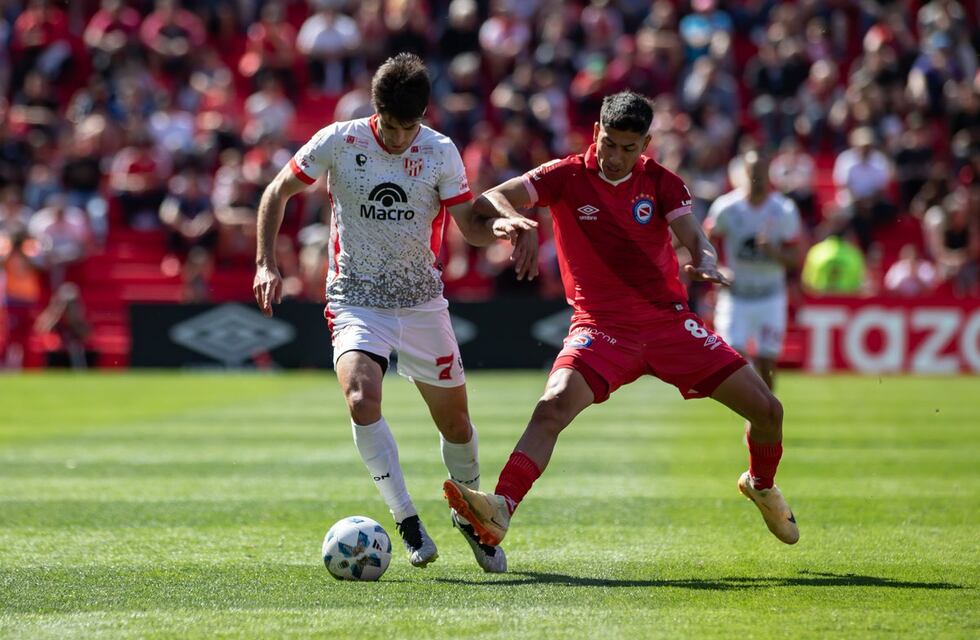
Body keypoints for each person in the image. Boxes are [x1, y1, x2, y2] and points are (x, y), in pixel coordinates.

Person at [443, 91, 799, 557]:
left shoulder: (662, 183)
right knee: (550, 407)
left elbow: (696, 239)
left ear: (646, 143)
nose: (615, 157)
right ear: (596, 133)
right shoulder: (566, 175)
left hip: (669, 325)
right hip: (601, 328)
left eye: (629, 148)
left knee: (769, 411)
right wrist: (517, 222)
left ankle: (760, 483)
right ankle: (500, 507)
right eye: (609, 144)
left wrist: (706, 261)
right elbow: (491, 198)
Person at [252, 53, 536, 573]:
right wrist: (266, 263)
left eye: (412, 126)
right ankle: (405, 519)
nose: (403, 137)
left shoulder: (441, 151)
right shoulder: (340, 139)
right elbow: (277, 192)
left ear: (424, 115)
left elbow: (467, 224)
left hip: (423, 303)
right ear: (375, 110)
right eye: (393, 126)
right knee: (361, 396)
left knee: (456, 424)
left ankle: (472, 515)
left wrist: (495, 230)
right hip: (356, 299)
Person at [705, 150, 803, 390]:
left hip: (770, 295)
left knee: (767, 362)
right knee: (733, 358)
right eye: (752, 173)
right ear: (743, 173)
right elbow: (705, 245)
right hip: (736, 295)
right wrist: (720, 269)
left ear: (769, 174)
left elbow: (795, 258)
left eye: (761, 173)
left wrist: (774, 252)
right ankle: (750, 414)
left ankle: (763, 417)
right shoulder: (726, 207)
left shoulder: (784, 210)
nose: (756, 178)